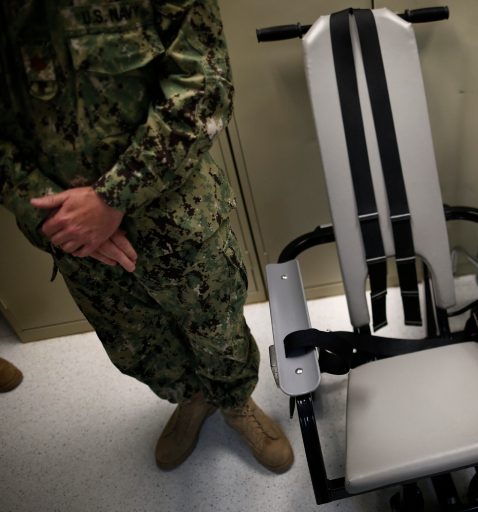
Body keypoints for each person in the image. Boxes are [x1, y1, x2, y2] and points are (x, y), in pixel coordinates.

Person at [0, 0, 293, 473]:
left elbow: (203, 87)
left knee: (217, 325)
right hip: (73, 240)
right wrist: (51, 213)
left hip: (177, 216)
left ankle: (236, 404)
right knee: (135, 340)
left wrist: (112, 199)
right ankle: (192, 399)